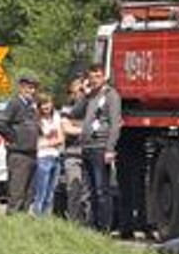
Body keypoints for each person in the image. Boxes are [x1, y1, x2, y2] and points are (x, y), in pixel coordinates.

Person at [79, 64, 122, 232]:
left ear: (104, 77)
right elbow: (76, 112)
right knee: (89, 190)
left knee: (102, 189)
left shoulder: (111, 95)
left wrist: (110, 148)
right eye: (91, 77)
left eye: (97, 76)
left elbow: (114, 123)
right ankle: (93, 224)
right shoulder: (91, 96)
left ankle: (104, 227)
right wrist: (84, 93)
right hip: (87, 146)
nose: (94, 80)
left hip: (101, 147)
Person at [0, 75, 42, 213]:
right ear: (21, 88)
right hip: (19, 155)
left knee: (29, 195)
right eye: (29, 88)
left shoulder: (31, 106)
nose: (32, 91)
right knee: (17, 194)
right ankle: (11, 224)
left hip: (31, 155)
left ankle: (22, 225)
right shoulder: (15, 103)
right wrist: (14, 137)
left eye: (34, 88)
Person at [60, 77, 90, 225]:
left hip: (89, 154)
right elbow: (67, 129)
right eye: (78, 91)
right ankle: (73, 222)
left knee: (88, 193)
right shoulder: (67, 108)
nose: (81, 93)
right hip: (73, 155)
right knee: (74, 189)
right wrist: (88, 129)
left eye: (83, 90)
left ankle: (87, 223)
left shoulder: (92, 107)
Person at [31, 95, 64, 216]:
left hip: (56, 157)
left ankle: (46, 221)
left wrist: (46, 143)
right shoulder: (36, 120)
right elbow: (35, 143)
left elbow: (61, 139)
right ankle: (37, 219)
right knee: (41, 194)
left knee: (50, 194)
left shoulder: (56, 117)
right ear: (39, 106)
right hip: (42, 159)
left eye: (48, 103)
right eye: (43, 104)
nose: (46, 106)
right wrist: (48, 143)